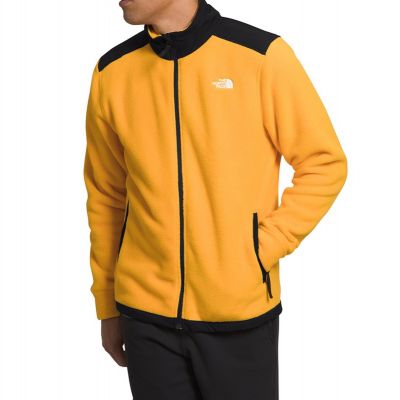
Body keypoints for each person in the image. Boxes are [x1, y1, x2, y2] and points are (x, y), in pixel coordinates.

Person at [83, 0, 347, 398]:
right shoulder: (112, 71)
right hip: (144, 317)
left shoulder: (261, 56)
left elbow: (324, 163)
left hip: (238, 313)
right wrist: (107, 304)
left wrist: (260, 248)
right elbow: (106, 195)